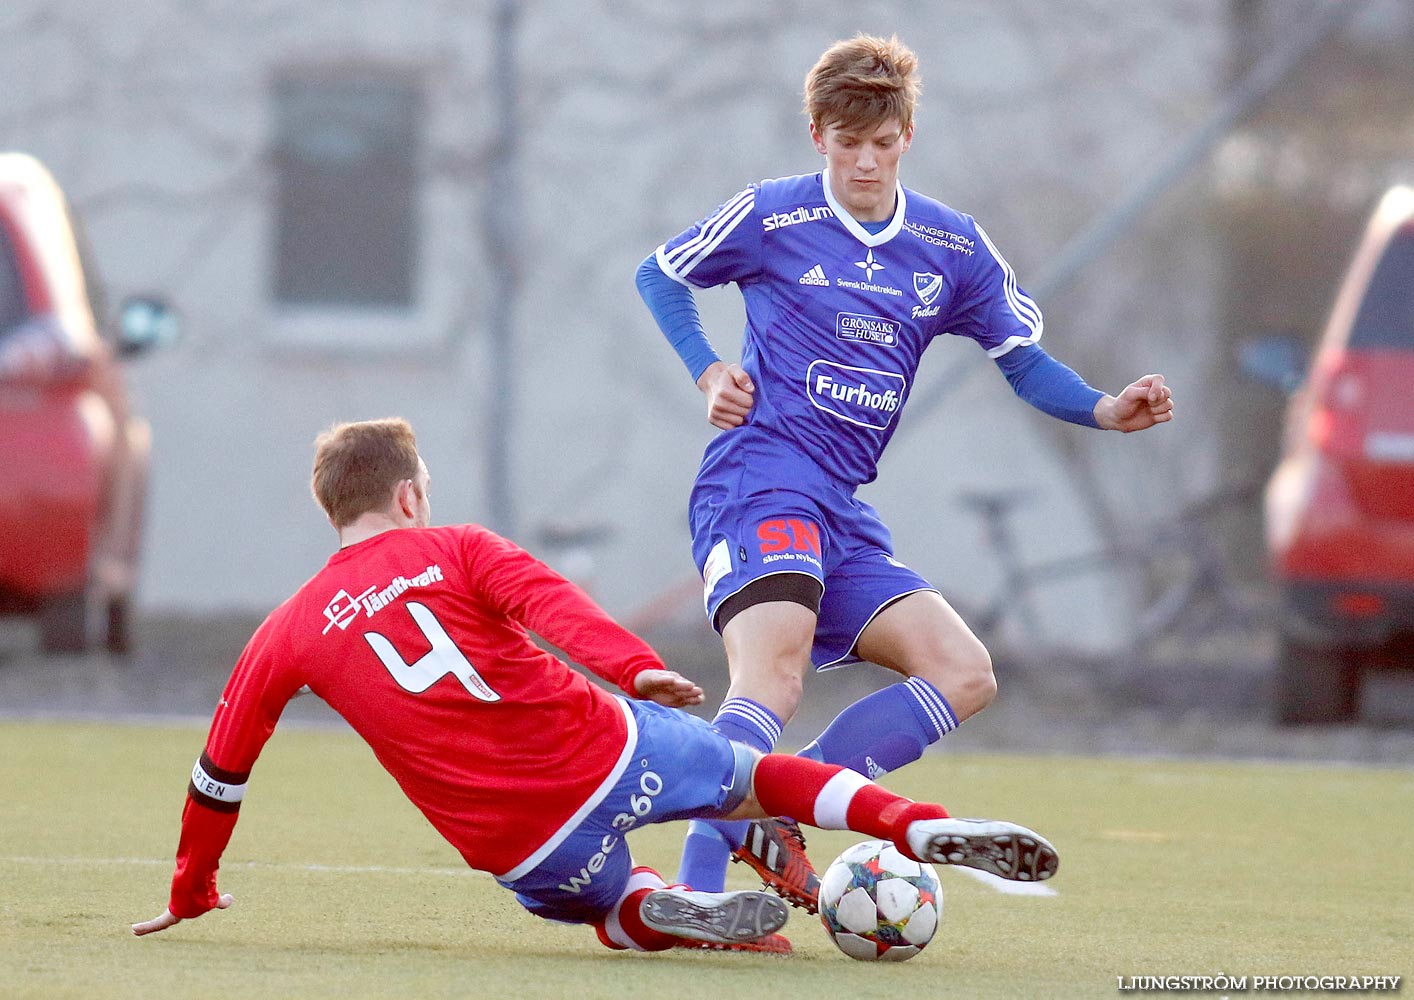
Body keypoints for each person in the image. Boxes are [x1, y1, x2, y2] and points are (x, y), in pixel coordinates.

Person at [131, 418, 1060, 954]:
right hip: (603, 749)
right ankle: (913, 824)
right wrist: (634, 668)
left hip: (515, 838)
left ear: (333, 509)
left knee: (606, 902)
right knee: (750, 776)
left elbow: (221, 770)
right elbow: (552, 608)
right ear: (411, 496)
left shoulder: (287, 630)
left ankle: (645, 910)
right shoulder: (457, 547)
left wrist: (192, 886)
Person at [635, 33, 1173, 946]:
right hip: (758, 482)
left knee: (965, 672)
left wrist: (1103, 409)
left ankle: (777, 806)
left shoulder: (949, 245)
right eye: (847, 142)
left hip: (840, 508)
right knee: (773, 668)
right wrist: (705, 369)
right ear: (818, 135)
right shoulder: (772, 217)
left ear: (908, 135)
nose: (865, 161)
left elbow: (1022, 359)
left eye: (882, 142)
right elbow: (661, 273)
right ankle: (700, 894)